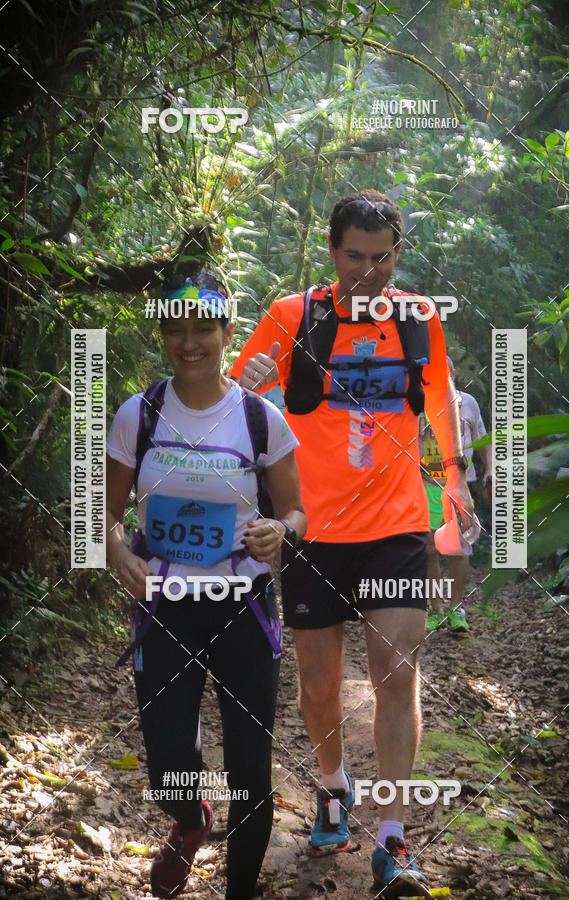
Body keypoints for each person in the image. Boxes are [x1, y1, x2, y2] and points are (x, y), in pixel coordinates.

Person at [229, 191, 474, 893]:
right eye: (354, 257)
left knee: (398, 674)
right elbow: (234, 403)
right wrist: (245, 387)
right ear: (333, 252)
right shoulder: (291, 316)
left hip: (396, 525)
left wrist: (454, 491)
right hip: (311, 529)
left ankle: (395, 843)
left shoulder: (419, 318)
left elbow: (439, 400)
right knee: (319, 686)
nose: (368, 273)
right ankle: (334, 786)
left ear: (398, 252)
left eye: (382, 258)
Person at [106, 272, 306, 900]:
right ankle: (191, 822)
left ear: (227, 333)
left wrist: (279, 529)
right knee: (167, 764)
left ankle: (239, 892)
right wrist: (117, 552)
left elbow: (298, 511)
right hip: (165, 605)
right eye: (174, 330)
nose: (188, 343)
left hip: (242, 604)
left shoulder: (258, 418)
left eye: (202, 330)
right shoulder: (139, 415)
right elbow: (103, 515)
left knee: (249, 766)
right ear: (163, 334)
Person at [420, 356, 492, 632]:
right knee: (429, 550)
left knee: (459, 550)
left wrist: (490, 471)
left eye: (444, 370)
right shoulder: (417, 403)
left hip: (460, 483)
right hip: (426, 485)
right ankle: (436, 609)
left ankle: (457, 609)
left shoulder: (468, 403)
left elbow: (484, 440)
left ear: (453, 373)